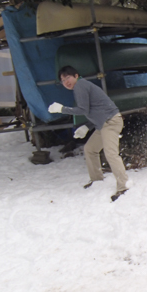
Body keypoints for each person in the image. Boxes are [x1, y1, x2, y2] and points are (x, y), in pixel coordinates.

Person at [48, 65, 129, 202]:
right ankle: (96, 180)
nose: (66, 82)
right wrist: (87, 126)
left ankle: (124, 186)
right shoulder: (82, 86)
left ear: (75, 75)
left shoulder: (80, 85)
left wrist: (62, 109)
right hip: (103, 123)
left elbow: (83, 110)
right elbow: (95, 110)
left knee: (110, 153)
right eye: (62, 80)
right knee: (90, 149)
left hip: (111, 122)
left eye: (67, 77)